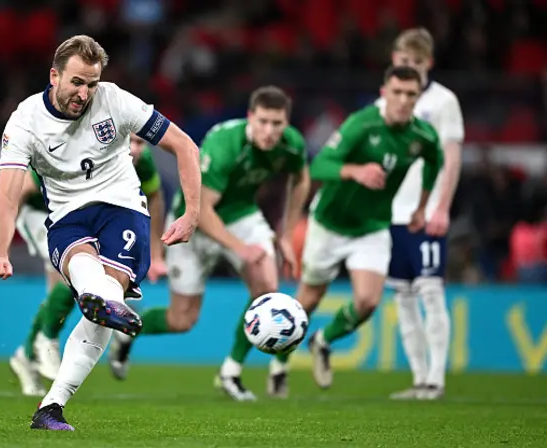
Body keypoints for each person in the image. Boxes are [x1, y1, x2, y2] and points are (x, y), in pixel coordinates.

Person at [0, 35, 200, 431]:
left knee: (103, 296)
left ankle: (51, 407)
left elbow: (185, 146)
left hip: (121, 205)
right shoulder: (25, 121)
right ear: (54, 75)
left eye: (92, 84)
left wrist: (192, 213)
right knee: (88, 274)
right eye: (77, 82)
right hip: (66, 212)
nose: (84, 93)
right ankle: (97, 299)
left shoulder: (116, 100)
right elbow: (8, 196)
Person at [108, 86, 310, 401]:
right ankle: (126, 333)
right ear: (250, 118)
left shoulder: (291, 144)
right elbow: (201, 211)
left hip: (241, 215)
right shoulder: (225, 144)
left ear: (286, 123)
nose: (270, 131)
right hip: (194, 221)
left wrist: (285, 234)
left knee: (267, 286)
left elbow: (301, 178)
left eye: (277, 124)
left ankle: (231, 372)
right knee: (181, 320)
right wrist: (240, 249)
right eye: (264, 122)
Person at [281, 65, 444, 394]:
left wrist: (422, 207)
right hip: (329, 223)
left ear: (418, 97)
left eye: (410, 94)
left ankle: (323, 340)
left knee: (369, 301)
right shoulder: (361, 123)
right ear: (385, 92)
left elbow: (435, 160)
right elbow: (320, 164)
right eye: (396, 92)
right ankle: (278, 365)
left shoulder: (422, 135)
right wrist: (356, 171)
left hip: (372, 228)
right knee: (309, 299)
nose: (402, 100)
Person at [9, 134, 167, 397]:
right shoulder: (84, 148)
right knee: (73, 277)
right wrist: (0, 242)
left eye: (142, 143)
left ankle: (26, 355)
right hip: (40, 213)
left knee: (69, 290)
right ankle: (44, 341)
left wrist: (157, 254)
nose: (136, 149)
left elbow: (155, 197)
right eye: (132, 141)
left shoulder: (143, 161)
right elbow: (21, 190)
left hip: (83, 219)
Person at [377, 28, 464, 400]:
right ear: (394, 61)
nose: (408, 67)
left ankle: (436, 379)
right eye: (402, 61)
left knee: (431, 291)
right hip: (390, 214)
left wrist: (441, 206)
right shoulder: (383, 105)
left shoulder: (444, 101)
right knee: (403, 297)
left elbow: (452, 156)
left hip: (425, 211)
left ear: (427, 63)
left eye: (415, 62)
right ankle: (418, 378)